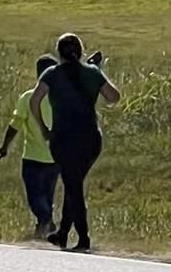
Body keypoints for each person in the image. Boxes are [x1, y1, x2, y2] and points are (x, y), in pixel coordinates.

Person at [30, 34, 120, 253]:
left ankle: (83, 238)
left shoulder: (51, 74)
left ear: (59, 53)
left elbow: (34, 101)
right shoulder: (92, 73)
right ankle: (62, 234)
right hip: (90, 139)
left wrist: (44, 129)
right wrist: (97, 72)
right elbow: (113, 97)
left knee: (73, 186)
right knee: (74, 183)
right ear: (80, 52)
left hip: (64, 139)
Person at [0, 54, 59, 237]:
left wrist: (5, 146)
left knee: (35, 196)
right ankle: (44, 225)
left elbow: (15, 125)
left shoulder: (29, 97)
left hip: (33, 157)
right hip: (56, 157)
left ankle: (46, 220)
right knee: (47, 194)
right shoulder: (61, 99)